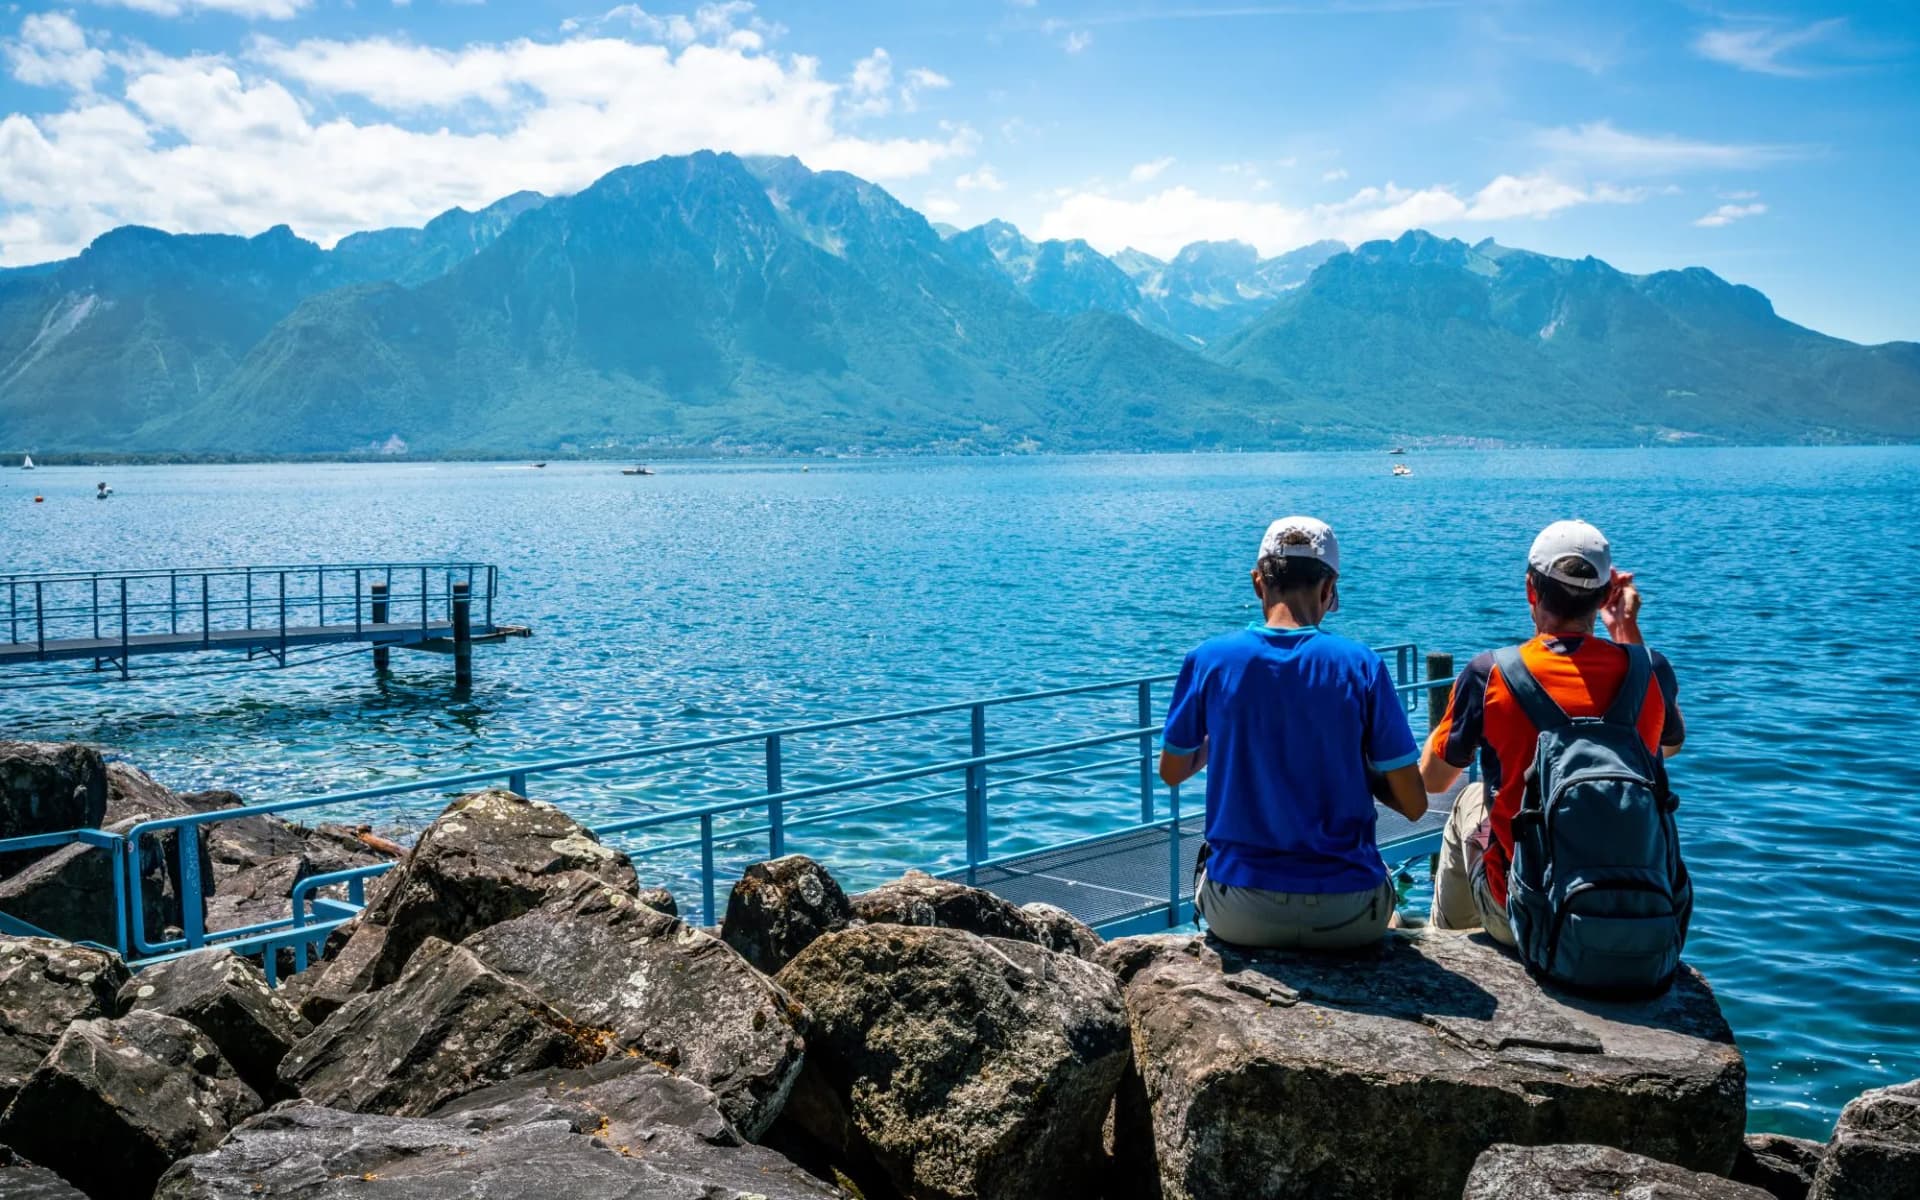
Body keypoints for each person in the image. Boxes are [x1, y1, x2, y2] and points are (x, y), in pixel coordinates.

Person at [1159, 516, 1428, 950]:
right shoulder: (1363, 666)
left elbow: (1171, 772)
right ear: (1329, 590)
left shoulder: (1207, 660)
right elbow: (1415, 804)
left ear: (1257, 583)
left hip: (1240, 913)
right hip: (1348, 914)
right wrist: (1360, 765)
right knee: (1392, 909)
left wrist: (1223, 736)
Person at [1421, 519, 1685, 945]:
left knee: (1468, 800)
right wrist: (1623, 628)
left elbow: (1432, 781)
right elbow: (1668, 747)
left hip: (1526, 916)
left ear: (1531, 589)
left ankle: (1447, 948)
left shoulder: (1490, 674)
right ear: (1604, 596)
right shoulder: (1649, 669)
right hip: (1639, 912)